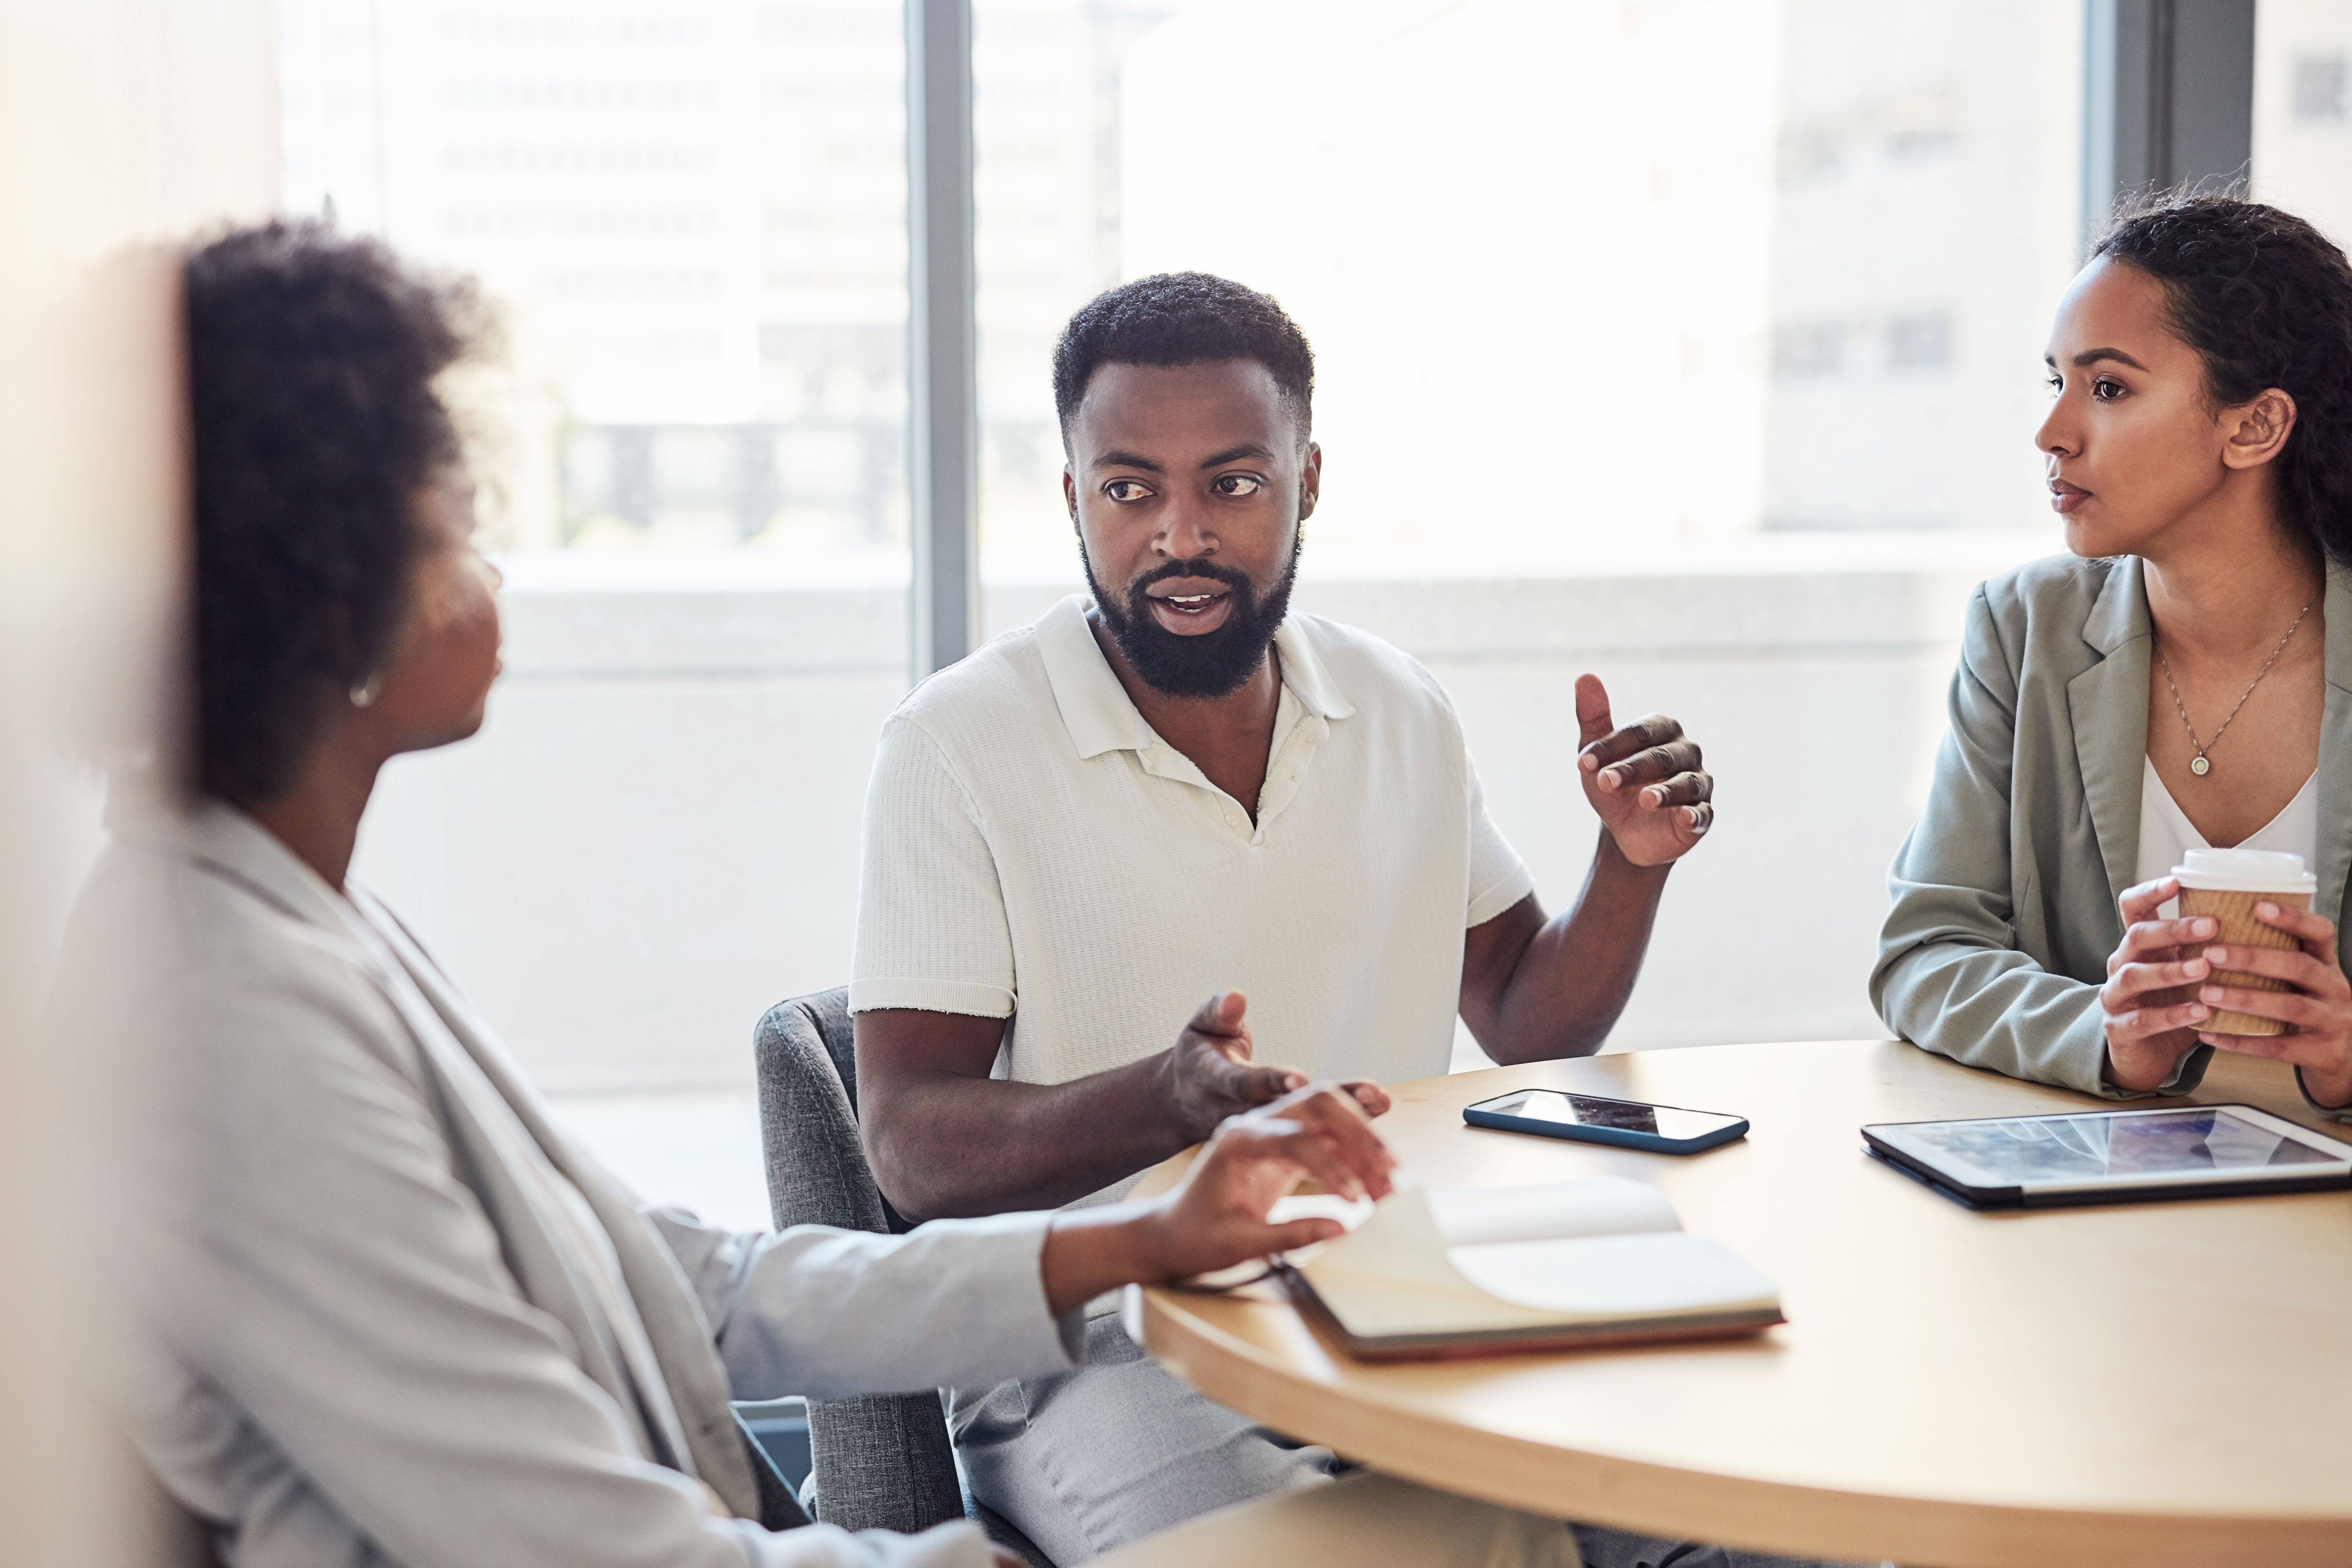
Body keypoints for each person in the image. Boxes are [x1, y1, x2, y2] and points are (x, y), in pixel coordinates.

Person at [63, 220, 1576, 1568]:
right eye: (456, 520)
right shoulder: (216, 1013)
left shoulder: (300, 916)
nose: (496, 566)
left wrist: (1136, 1237)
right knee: (1476, 1535)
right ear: (319, 582)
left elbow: (692, 1287)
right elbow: (560, 1535)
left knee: (1497, 1518)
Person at [850, 274, 1791, 1568]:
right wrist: (1173, 1101)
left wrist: (1628, 865)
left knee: (1750, 1519)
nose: (1180, 533)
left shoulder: (1395, 704)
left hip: (1396, 1291)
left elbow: (1524, 1010)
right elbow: (908, 1142)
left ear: (1307, 478)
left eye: (1232, 483)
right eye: (1130, 489)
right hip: (1097, 1341)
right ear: (1073, 496)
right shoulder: (958, 744)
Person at [1875, 191, 2352, 1118]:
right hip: (2110, 1195)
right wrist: (2110, 1033)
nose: (2053, 432)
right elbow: (1924, 953)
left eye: (2108, 388)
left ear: (2253, 425)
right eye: (2054, 381)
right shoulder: (2024, 630)